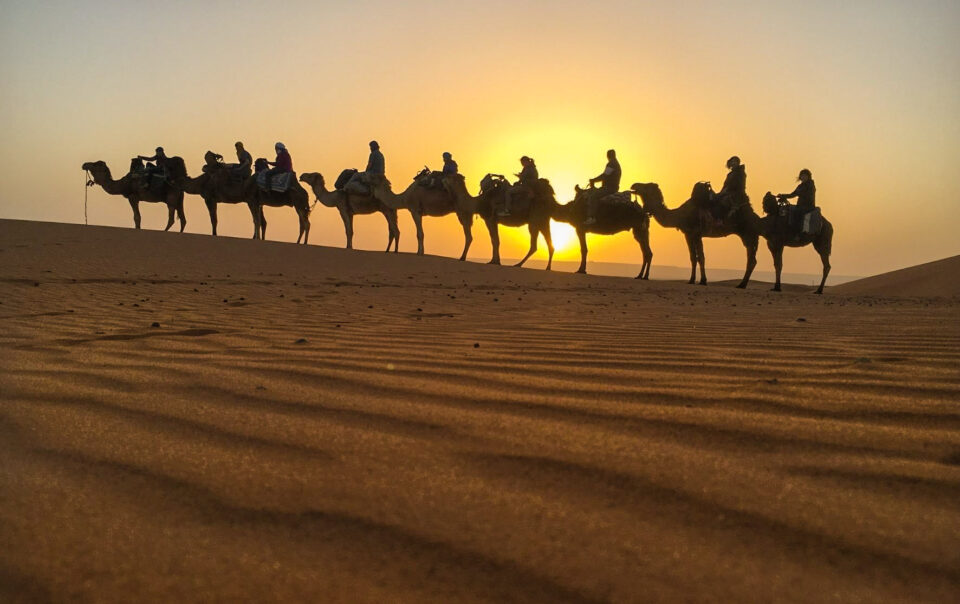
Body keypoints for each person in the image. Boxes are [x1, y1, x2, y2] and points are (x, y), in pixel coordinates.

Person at [584, 149, 622, 225]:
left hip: (609, 188)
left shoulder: (611, 164)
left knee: (593, 196)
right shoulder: (616, 164)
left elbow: (604, 176)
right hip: (611, 188)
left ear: (608, 156)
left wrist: (593, 180)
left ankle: (591, 217)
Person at [778, 168, 817, 233]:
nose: (803, 177)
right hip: (800, 206)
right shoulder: (800, 186)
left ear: (808, 177)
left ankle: (798, 233)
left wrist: (801, 193)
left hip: (808, 206)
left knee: (797, 212)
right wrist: (782, 196)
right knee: (786, 209)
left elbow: (809, 195)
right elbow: (792, 194)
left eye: (805, 176)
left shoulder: (811, 185)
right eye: (802, 176)